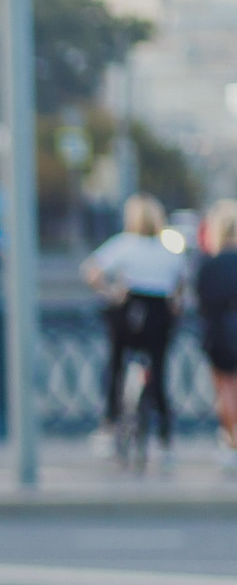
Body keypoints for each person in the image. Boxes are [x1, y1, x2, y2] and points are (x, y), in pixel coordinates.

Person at [85, 194, 185, 461]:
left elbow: (91, 271)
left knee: (116, 364)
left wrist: (110, 292)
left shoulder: (123, 245)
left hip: (129, 312)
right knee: (158, 371)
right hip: (159, 315)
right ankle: (165, 438)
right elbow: (180, 285)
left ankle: (110, 422)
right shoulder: (168, 250)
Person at [196, 201, 237, 469]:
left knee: (226, 389)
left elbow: (204, 305)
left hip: (221, 334)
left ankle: (232, 442)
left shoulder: (209, 266)